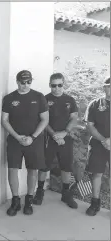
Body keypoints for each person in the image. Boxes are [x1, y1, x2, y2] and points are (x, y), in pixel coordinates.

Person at [1, 70, 49, 216]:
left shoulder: (39, 97)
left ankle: (29, 200)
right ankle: (15, 201)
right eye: (23, 82)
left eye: (29, 82)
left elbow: (45, 119)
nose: (26, 85)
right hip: (15, 140)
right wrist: (17, 136)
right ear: (17, 81)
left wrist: (32, 137)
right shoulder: (9, 98)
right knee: (12, 170)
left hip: (34, 140)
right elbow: (4, 120)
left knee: (32, 170)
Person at [33, 73, 78, 209]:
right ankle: (39, 192)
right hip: (49, 138)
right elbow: (43, 120)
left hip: (66, 138)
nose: (56, 88)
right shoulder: (44, 99)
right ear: (49, 85)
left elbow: (74, 118)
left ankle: (66, 194)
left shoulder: (70, 99)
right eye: (53, 85)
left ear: (63, 84)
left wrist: (64, 133)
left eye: (59, 85)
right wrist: (54, 135)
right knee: (43, 166)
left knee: (66, 166)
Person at [84, 77, 110, 216]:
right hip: (98, 144)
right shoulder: (94, 104)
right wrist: (104, 140)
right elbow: (89, 125)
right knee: (96, 174)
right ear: (104, 87)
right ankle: (95, 203)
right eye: (108, 86)